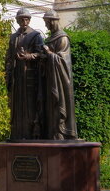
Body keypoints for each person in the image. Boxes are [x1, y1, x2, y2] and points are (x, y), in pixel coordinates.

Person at [5, 7, 44, 140]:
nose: (24, 21)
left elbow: (41, 54)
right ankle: (17, 133)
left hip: (30, 77)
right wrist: (8, 73)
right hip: (17, 77)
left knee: (30, 106)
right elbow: (9, 57)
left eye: (26, 19)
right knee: (16, 107)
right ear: (17, 20)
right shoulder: (13, 37)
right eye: (21, 19)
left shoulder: (35, 35)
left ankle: (31, 133)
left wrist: (29, 56)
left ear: (29, 20)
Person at [40, 8, 77, 140]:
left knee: (59, 106)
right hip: (51, 80)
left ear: (53, 22)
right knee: (50, 108)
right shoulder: (50, 39)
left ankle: (62, 133)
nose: (45, 25)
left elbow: (61, 60)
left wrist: (49, 53)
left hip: (60, 82)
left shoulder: (62, 39)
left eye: (47, 22)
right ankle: (52, 133)